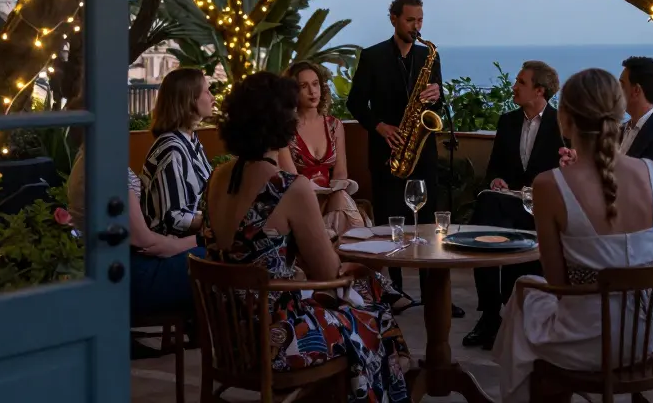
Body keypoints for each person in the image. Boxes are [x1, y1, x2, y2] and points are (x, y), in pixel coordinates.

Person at [202, 72, 411, 403]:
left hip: (229, 337)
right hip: (276, 341)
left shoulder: (218, 178)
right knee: (372, 312)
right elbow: (328, 274)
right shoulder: (287, 187)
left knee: (363, 296)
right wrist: (359, 269)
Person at [493, 69, 653, 403]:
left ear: (565, 119)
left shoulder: (550, 185)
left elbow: (558, 282)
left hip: (596, 341)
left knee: (523, 295)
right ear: (618, 113)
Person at [346, 0, 463, 317]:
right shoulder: (373, 57)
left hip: (421, 151)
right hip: (388, 149)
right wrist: (380, 126)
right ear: (394, 19)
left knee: (427, 225)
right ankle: (391, 293)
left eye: (420, 20)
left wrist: (436, 95)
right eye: (411, 20)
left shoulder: (429, 56)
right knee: (388, 225)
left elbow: (435, 105)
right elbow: (355, 103)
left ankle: (435, 294)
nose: (417, 26)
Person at [462, 61, 565, 349]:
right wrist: (496, 180)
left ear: (539, 90)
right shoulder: (507, 121)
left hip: (543, 208)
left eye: (521, 82)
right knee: (485, 212)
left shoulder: (561, 124)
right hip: (511, 202)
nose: (514, 87)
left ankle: (516, 314)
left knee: (507, 226)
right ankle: (490, 314)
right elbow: (495, 167)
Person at [64, 148, 204, 358]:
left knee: (205, 254)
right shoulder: (106, 163)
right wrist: (195, 240)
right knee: (210, 258)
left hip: (106, 269)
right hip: (125, 275)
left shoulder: (87, 157)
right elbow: (142, 240)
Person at [285, 60, 371, 236]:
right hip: (300, 198)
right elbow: (290, 178)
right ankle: (343, 252)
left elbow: (341, 172)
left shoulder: (334, 125)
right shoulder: (285, 129)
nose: (312, 91)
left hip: (331, 196)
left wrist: (333, 189)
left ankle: (342, 249)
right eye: (304, 86)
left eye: (316, 84)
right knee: (340, 208)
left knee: (340, 198)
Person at [143, 67, 216, 237]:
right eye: (207, 91)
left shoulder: (191, 140)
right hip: (178, 248)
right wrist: (216, 220)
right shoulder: (172, 150)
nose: (212, 97)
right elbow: (173, 218)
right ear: (189, 99)